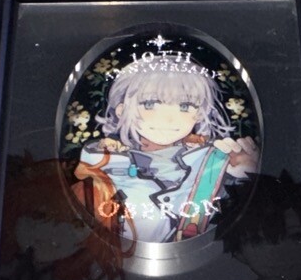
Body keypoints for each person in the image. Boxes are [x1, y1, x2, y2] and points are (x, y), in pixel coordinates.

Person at [74, 60, 258, 244]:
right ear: (122, 110)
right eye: (150, 104)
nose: (169, 119)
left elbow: (235, 225)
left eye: (185, 106)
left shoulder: (211, 162)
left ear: (200, 113)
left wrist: (245, 176)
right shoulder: (101, 164)